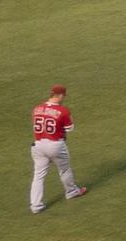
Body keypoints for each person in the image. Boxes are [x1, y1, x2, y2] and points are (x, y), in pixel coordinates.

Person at [29, 85, 86, 215]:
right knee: (64, 169)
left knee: (38, 175)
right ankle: (71, 191)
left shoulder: (36, 108)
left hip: (38, 145)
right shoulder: (63, 110)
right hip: (55, 145)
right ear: (60, 95)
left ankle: (35, 205)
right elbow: (70, 128)